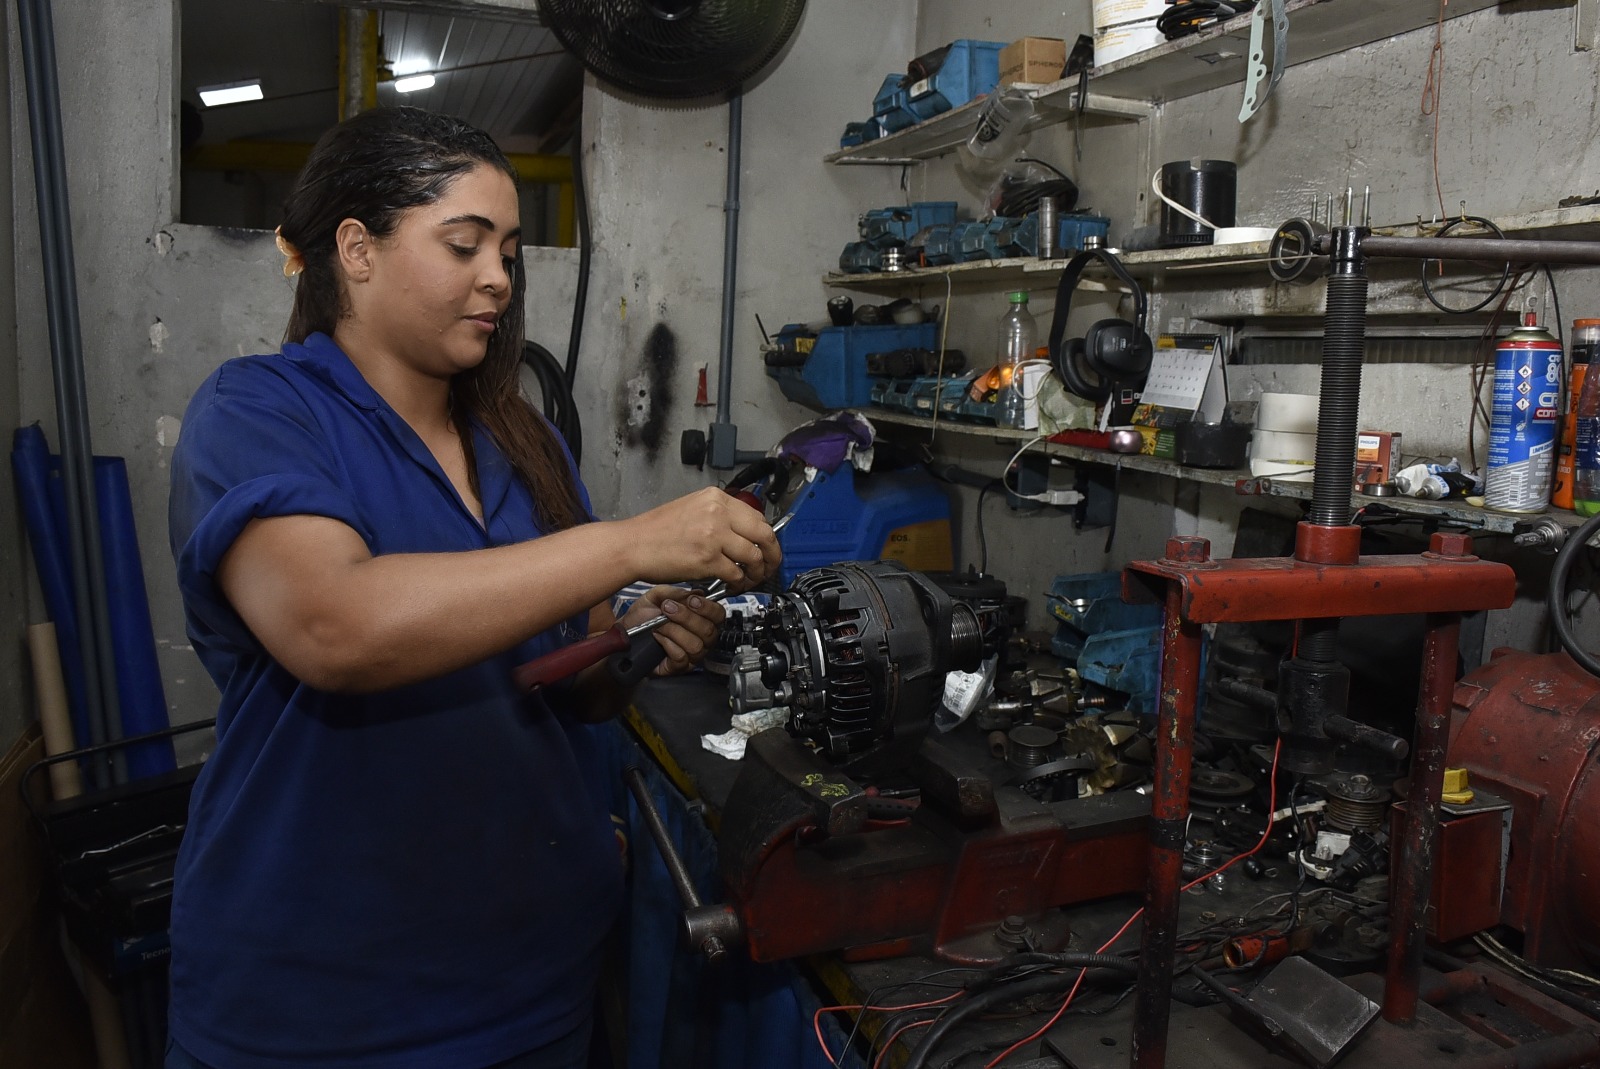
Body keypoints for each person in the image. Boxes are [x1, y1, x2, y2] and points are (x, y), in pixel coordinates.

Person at [165, 106, 780, 1069]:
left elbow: (560, 672)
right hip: (325, 1006)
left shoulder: (517, 441)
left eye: (508, 250)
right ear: (356, 250)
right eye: (464, 244)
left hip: (533, 983)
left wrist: (632, 637)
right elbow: (338, 627)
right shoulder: (258, 411)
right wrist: (629, 547)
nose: (498, 276)